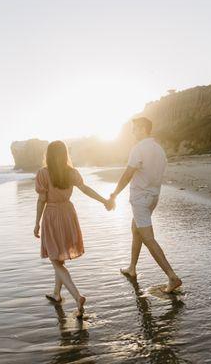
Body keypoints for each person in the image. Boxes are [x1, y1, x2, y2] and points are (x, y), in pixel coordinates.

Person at [33, 140, 110, 317]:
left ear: (49, 155)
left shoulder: (43, 174)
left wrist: (37, 222)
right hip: (68, 214)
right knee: (59, 258)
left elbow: (41, 200)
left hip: (52, 215)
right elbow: (85, 189)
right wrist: (104, 200)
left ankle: (77, 296)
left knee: (54, 259)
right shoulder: (71, 173)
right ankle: (56, 294)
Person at [106, 117, 182, 293]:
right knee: (136, 230)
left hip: (141, 199)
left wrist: (114, 194)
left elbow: (127, 174)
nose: (133, 132)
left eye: (135, 129)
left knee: (148, 238)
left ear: (142, 128)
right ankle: (132, 268)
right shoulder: (159, 149)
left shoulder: (139, 148)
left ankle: (172, 276)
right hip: (153, 197)